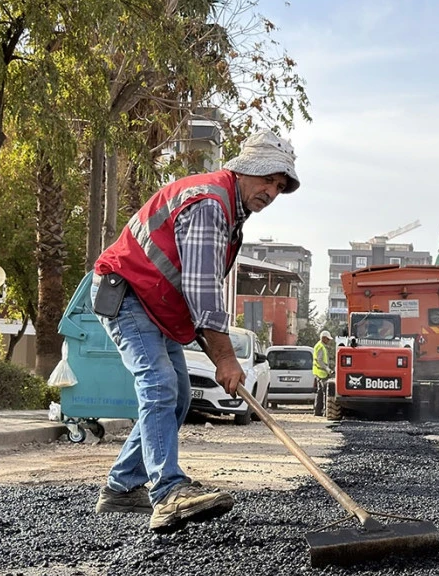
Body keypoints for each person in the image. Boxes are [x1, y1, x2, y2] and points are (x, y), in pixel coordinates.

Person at [89, 130, 299, 532]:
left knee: (180, 394)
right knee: (159, 383)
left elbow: (194, 289)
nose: (271, 191)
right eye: (267, 179)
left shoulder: (230, 211)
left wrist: (219, 353)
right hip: (128, 292)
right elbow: (203, 289)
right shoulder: (209, 204)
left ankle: (121, 485)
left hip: (155, 301)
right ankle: (167, 492)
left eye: (279, 185)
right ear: (246, 169)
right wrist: (224, 357)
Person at [312, 330, 333, 416]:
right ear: (323, 338)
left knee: (320, 392)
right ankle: (325, 411)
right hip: (322, 373)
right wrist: (327, 369)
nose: (328, 341)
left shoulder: (319, 346)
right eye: (327, 339)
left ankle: (317, 411)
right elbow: (320, 360)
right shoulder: (320, 347)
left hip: (319, 372)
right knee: (325, 393)